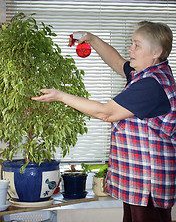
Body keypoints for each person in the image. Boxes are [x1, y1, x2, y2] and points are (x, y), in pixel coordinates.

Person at [32, 21, 176, 222]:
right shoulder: (144, 74)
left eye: (137, 45)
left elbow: (105, 113)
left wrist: (61, 96)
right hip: (138, 181)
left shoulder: (151, 85)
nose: (130, 48)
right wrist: (91, 38)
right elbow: (117, 62)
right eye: (131, 43)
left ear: (157, 52)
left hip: (148, 185)